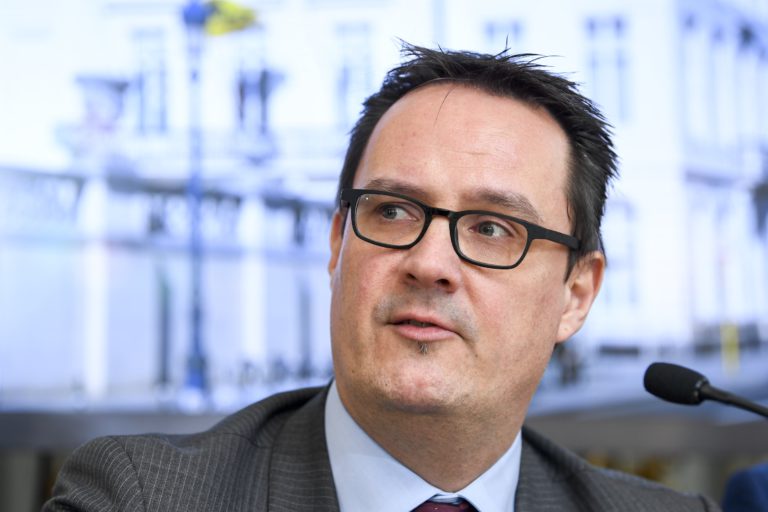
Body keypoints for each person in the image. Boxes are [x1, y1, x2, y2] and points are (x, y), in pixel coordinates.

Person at [44, 44, 719, 511]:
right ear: (337, 244)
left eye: (492, 229)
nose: (430, 263)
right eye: (393, 211)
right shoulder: (141, 497)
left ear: (576, 294)